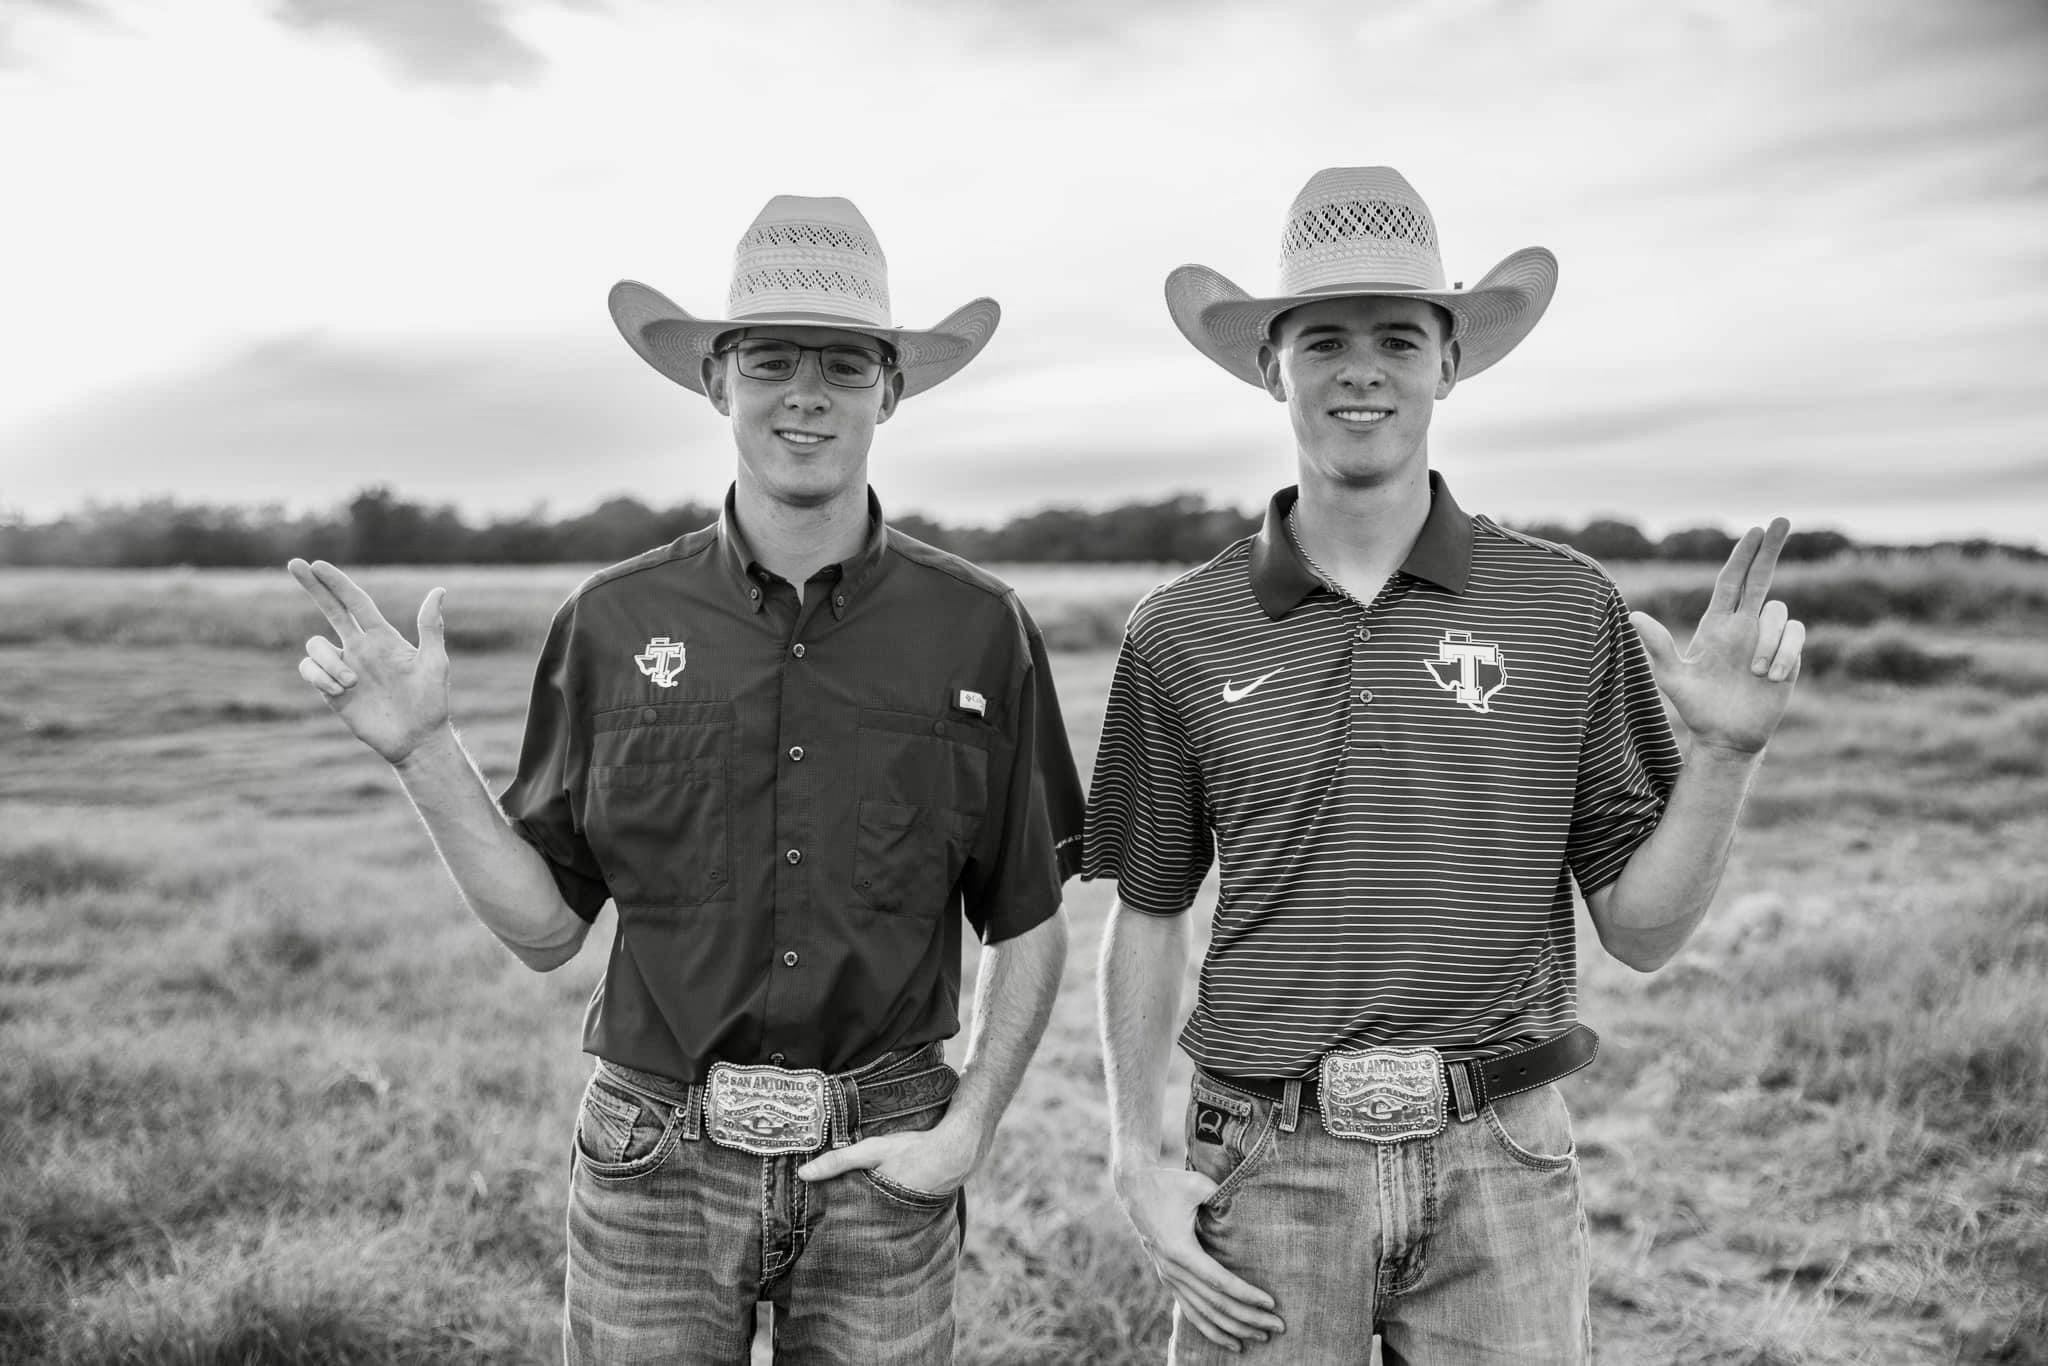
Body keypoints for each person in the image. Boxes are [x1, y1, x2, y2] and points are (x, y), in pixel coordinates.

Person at [288, 194, 1084, 1364]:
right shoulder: (612, 623)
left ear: (891, 390)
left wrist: (966, 1127)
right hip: (650, 1161)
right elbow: (547, 930)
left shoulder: (980, 630)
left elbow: (1029, 922)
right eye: (769, 358)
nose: (803, 392)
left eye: (843, 363)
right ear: (717, 381)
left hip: (885, 1165)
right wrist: (421, 751)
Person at [1086, 166, 1806, 1364]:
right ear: (1271, 366)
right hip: (1264, 1163)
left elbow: (1638, 929)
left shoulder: (1564, 607)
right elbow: (1147, 914)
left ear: (1447, 362)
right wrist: (1130, 1153)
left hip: (1502, 1163)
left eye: (1395, 337)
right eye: (1322, 339)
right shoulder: (1178, 629)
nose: (1358, 368)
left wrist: (1722, 755)